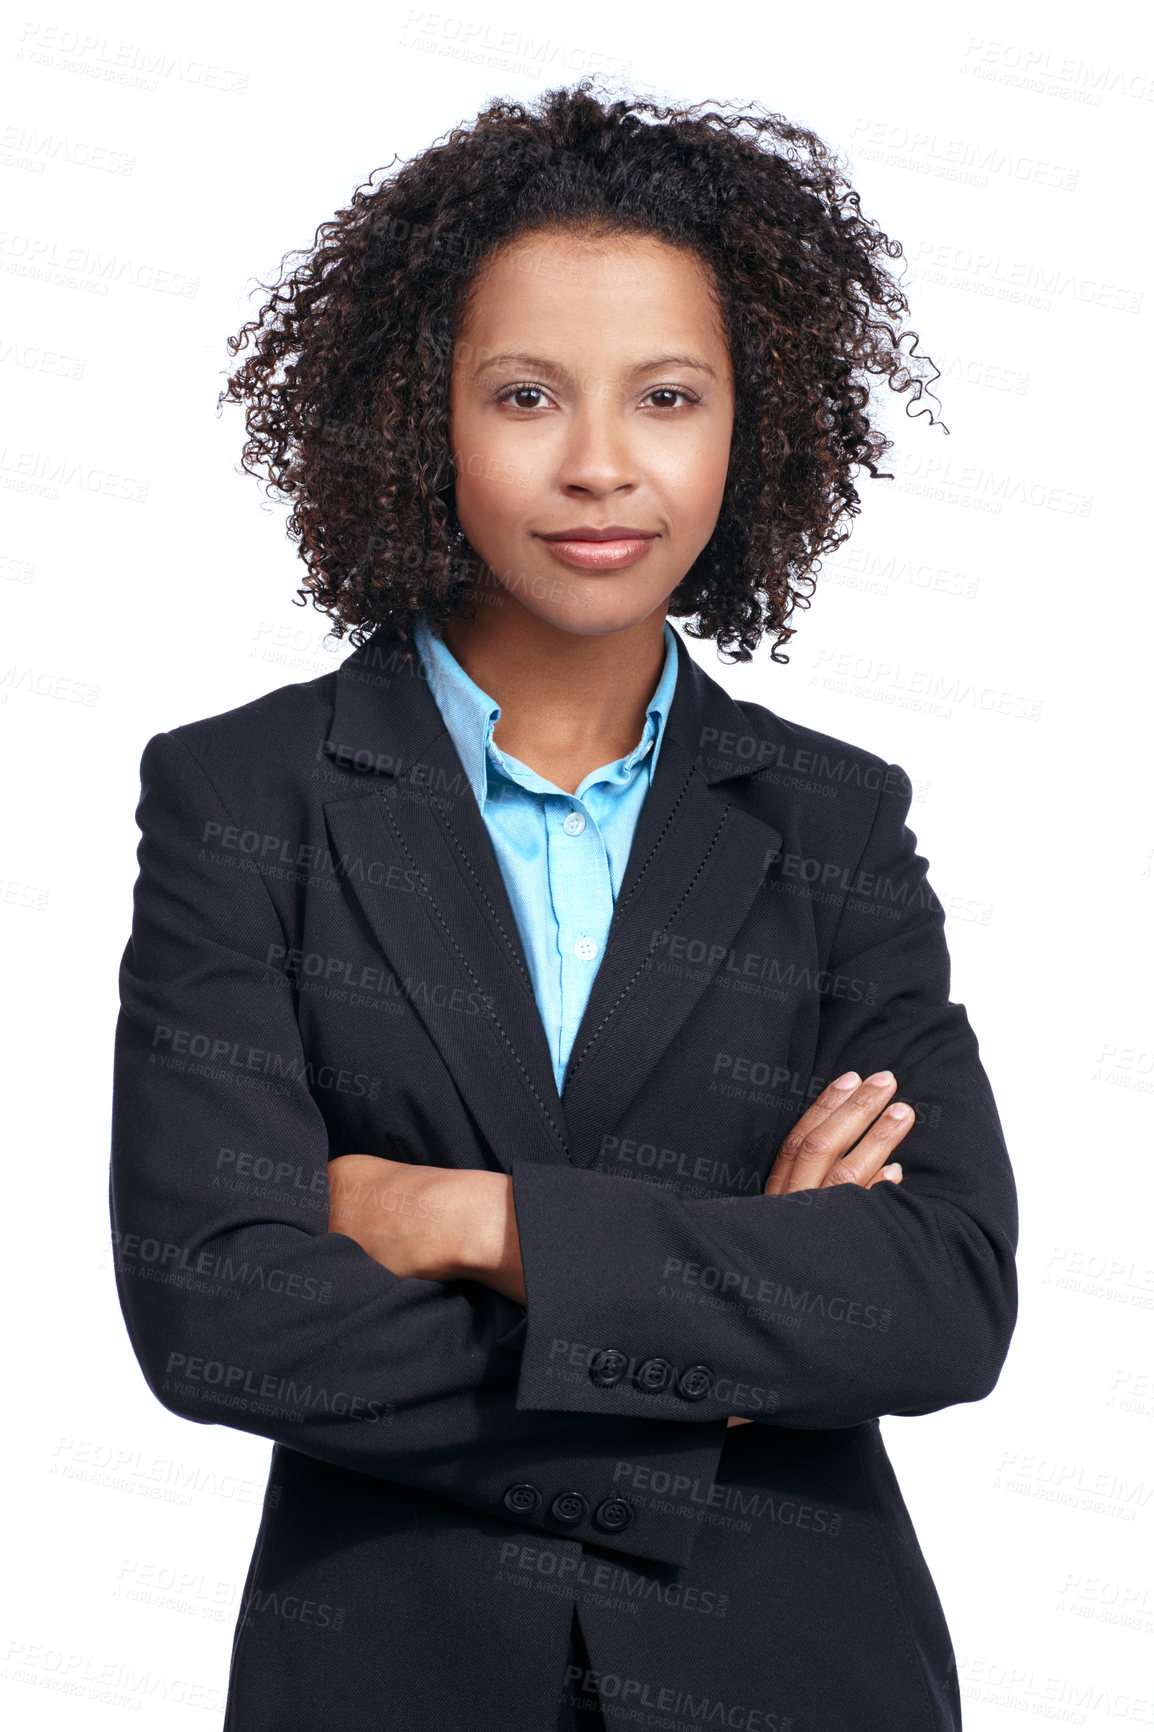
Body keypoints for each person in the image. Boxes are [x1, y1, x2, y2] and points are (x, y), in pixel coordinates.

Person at [109, 81, 1018, 1731]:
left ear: (751, 423)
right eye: (525, 395)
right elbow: (220, 1311)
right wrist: (724, 1351)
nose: (601, 465)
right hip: (392, 1674)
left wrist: (477, 1226)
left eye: (666, 397)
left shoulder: (831, 818)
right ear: (416, 414)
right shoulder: (246, 798)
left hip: (802, 1675)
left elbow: (939, 1293)